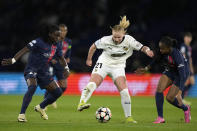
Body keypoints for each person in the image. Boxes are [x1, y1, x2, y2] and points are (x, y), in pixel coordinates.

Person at [77, 16, 154, 123]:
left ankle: (129, 117)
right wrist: (89, 59)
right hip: (104, 63)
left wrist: (148, 51)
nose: (116, 39)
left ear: (124, 34)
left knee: (125, 92)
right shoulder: (105, 40)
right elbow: (93, 46)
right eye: (114, 37)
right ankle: (81, 103)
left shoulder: (129, 40)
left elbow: (142, 47)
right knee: (93, 84)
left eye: (119, 37)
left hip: (118, 67)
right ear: (112, 34)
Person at [1, 24, 69, 122]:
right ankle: (22, 115)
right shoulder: (38, 42)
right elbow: (24, 49)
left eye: (59, 35)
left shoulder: (57, 45)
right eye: (56, 35)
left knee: (58, 92)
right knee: (32, 87)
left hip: (44, 72)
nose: (58, 38)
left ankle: (41, 107)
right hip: (31, 69)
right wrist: (13, 59)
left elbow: (61, 58)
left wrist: (66, 68)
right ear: (49, 34)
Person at [135, 36, 191, 123]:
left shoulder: (176, 54)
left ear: (169, 48)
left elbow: (183, 74)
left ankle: (185, 108)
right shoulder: (162, 51)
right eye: (160, 48)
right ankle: (160, 118)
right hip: (170, 71)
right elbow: (156, 59)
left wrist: (180, 93)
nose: (160, 50)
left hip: (180, 74)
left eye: (163, 49)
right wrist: (146, 68)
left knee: (169, 98)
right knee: (159, 90)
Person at [44, 24, 72, 109]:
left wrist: (68, 58)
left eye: (65, 31)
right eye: (61, 30)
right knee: (50, 84)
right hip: (51, 65)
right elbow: (47, 50)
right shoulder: (53, 40)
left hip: (61, 66)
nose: (63, 32)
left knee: (63, 86)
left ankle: (52, 99)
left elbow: (69, 50)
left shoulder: (69, 42)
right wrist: (50, 59)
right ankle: (44, 102)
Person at [180, 32, 195, 105]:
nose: (187, 39)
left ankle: (181, 97)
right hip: (185, 67)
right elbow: (182, 55)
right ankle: (181, 98)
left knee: (192, 82)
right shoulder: (183, 46)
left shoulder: (189, 48)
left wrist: (191, 68)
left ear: (191, 39)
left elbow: (190, 59)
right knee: (185, 82)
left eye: (189, 38)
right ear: (184, 38)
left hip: (189, 67)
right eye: (186, 37)